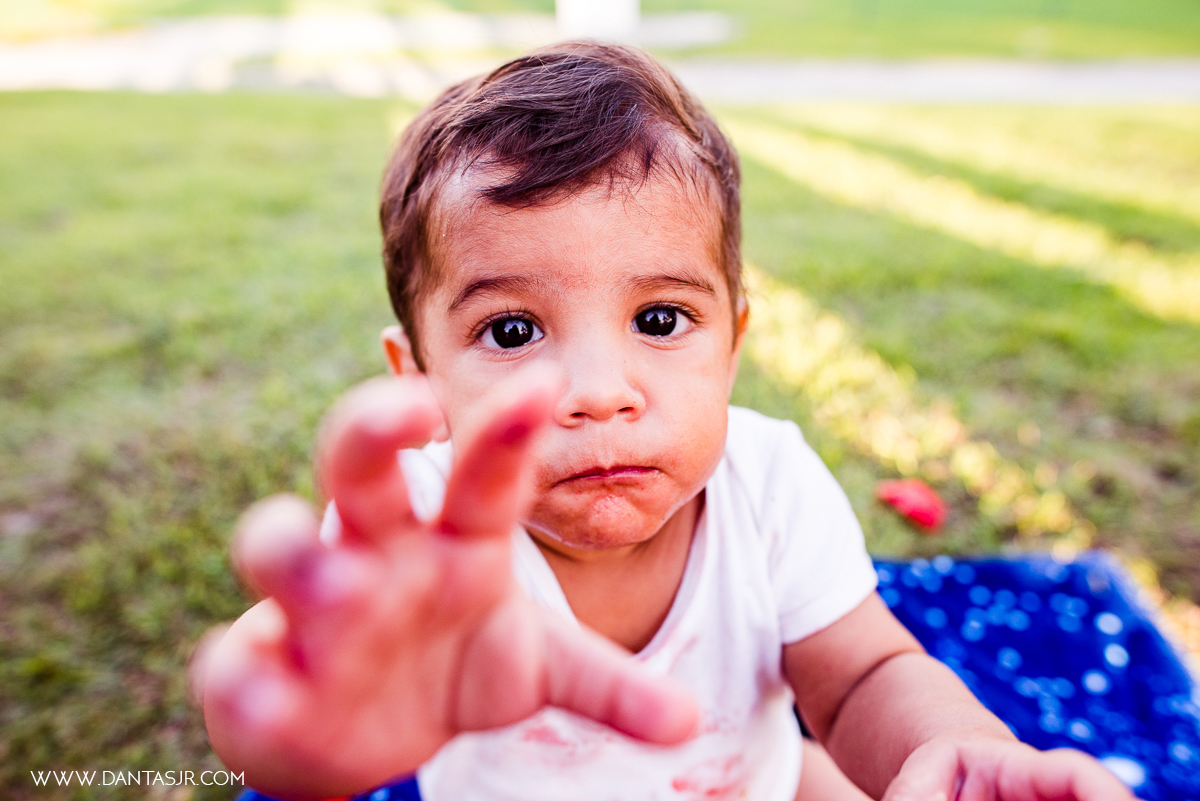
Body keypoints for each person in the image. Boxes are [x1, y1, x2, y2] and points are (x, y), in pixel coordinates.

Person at [193, 42, 1133, 801]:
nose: (601, 390)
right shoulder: (416, 532)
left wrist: (958, 748)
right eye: (512, 330)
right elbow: (312, 690)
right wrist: (296, 728)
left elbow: (859, 678)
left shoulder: (769, 482)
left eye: (659, 320)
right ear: (421, 380)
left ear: (732, 345)